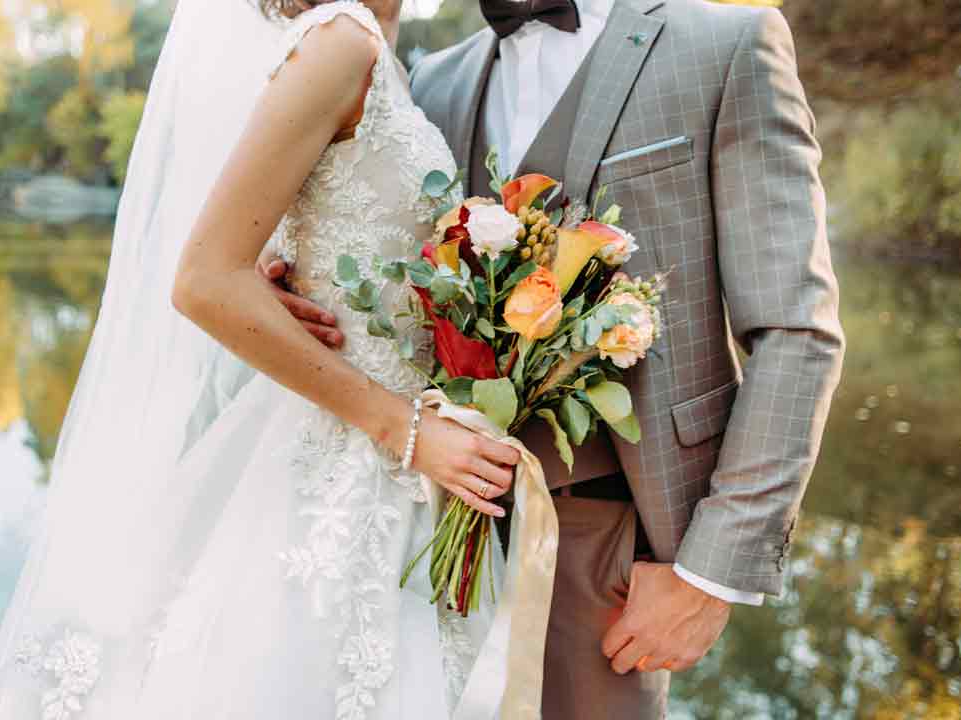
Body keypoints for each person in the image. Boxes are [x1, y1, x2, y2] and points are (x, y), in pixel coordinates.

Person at [263, 0, 846, 716]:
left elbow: (797, 330)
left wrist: (709, 573)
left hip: (610, 549)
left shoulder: (724, 45)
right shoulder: (435, 77)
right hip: (420, 534)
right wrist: (297, 276)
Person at [0, 0, 527, 717]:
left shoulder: (377, 52)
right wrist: (405, 431)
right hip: (356, 449)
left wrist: (277, 266)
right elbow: (202, 279)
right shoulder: (339, 41)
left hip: (403, 470)